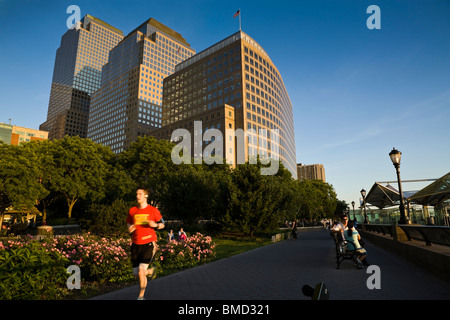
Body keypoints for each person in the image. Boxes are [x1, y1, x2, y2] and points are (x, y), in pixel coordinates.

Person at [126, 186, 165, 300]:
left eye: (140, 194)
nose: (137, 196)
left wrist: (156, 225)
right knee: (137, 274)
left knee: (141, 271)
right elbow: (128, 223)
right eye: (137, 194)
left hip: (148, 244)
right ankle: (150, 271)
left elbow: (163, 223)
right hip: (135, 245)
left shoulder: (153, 210)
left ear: (145, 196)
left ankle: (140, 297)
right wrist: (129, 228)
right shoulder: (132, 210)